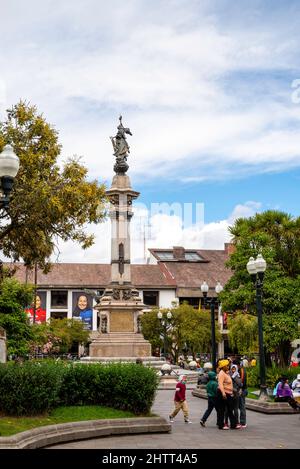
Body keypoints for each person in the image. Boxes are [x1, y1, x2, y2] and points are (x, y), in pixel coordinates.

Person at [216, 359, 241, 430]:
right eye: (227, 365)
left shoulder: (226, 373)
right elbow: (220, 384)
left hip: (228, 393)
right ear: (223, 366)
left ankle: (234, 424)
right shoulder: (221, 373)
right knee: (222, 409)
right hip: (223, 393)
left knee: (230, 409)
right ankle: (221, 425)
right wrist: (223, 393)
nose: (228, 366)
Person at [224, 364, 242, 429]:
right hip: (230, 393)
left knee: (235, 409)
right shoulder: (234, 375)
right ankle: (226, 423)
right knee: (228, 409)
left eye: (234, 369)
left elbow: (240, 384)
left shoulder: (233, 375)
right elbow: (240, 384)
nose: (233, 370)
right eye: (232, 369)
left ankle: (236, 423)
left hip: (234, 394)